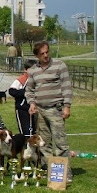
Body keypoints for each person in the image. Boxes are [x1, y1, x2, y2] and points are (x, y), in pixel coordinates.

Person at [25, 41, 73, 180]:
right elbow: (29, 90)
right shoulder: (33, 70)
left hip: (56, 109)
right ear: (37, 56)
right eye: (42, 54)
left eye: (47, 52)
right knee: (44, 144)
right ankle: (49, 170)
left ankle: (66, 174)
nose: (46, 55)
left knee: (60, 143)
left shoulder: (59, 65)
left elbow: (66, 87)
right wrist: (32, 103)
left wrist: (67, 106)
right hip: (40, 111)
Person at [9, 60, 38, 137]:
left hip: (35, 109)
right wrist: (25, 92)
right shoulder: (21, 79)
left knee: (35, 130)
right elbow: (12, 91)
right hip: (23, 109)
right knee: (26, 131)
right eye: (31, 69)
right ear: (25, 69)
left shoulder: (38, 79)